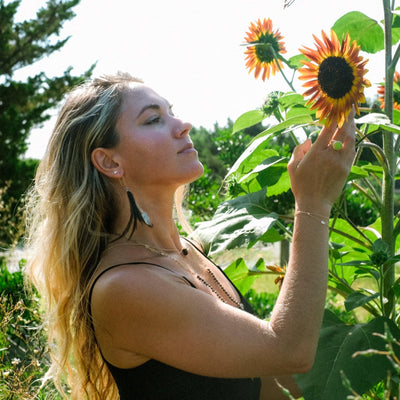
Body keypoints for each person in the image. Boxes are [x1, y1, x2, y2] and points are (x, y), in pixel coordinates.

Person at [25, 72, 356, 400]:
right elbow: (288, 350)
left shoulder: (185, 252)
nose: (182, 125)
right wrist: (313, 203)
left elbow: (271, 379)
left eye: (171, 111)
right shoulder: (125, 286)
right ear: (109, 161)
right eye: (154, 119)